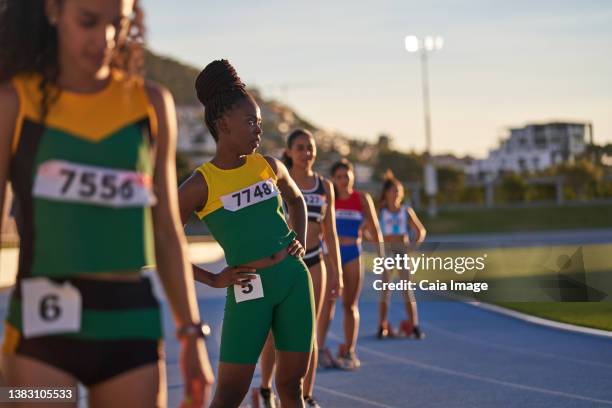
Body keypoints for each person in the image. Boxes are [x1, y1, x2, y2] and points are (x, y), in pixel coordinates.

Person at [0, 1, 213, 407]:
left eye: (118, 24)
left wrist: (191, 335)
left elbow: (166, 231)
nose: (105, 39)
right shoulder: (14, 103)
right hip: (40, 335)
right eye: (88, 22)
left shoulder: (151, 105)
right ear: (53, 11)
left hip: (129, 332)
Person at [178, 59, 315, 408]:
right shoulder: (200, 184)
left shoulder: (268, 165)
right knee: (228, 394)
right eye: (251, 122)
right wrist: (210, 278)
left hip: (293, 279)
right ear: (223, 124)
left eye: (260, 122)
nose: (258, 130)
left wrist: (297, 238)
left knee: (291, 385)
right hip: (248, 288)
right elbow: (159, 238)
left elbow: (296, 200)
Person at [254, 129, 343, 408]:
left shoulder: (324, 186)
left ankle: (305, 394)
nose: (307, 153)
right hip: (280, 262)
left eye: (310, 148)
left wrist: (337, 272)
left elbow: (331, 233)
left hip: (315, 260)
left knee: (310, 332)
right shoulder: (278, 179)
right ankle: (267, 389)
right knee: (273, 331)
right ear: (289, 152)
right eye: (301, 148)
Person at [320, 159, 384, 370]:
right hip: (330, 255)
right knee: (328, 303)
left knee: (350, 304)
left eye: (346, 176)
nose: (342, 180)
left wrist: (382, 257)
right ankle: (319, 351)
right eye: (338, 177)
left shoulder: (362, 199)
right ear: (333, 179)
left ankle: (349, 351)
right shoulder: (328, 198)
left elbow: (375, 230)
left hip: (353, 253)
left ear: (353, 176)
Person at [377, 170, 427, 339]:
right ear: (386, 193)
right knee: (386, 290)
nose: (396, 194)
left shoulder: (406, 211)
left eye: (399, 190)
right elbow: (366, 230)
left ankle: (415, 326)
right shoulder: (381, 212)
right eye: (393, 190)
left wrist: (414, 245)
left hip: (402, 252)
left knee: (407, 289)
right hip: (387, 254)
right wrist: (375, 242)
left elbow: (420, 230)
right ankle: (382, 326)